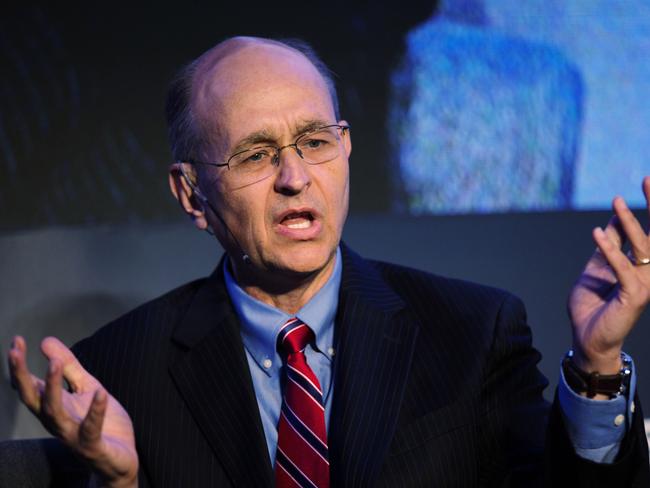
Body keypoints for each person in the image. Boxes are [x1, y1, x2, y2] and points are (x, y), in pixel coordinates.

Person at [7, 36, 650, 487]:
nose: (295, 178)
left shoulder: (472, 332)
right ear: (191, 194)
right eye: (256, 155)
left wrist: (595, 367)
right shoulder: (119, 370)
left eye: (315, 142)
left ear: (344, 151)